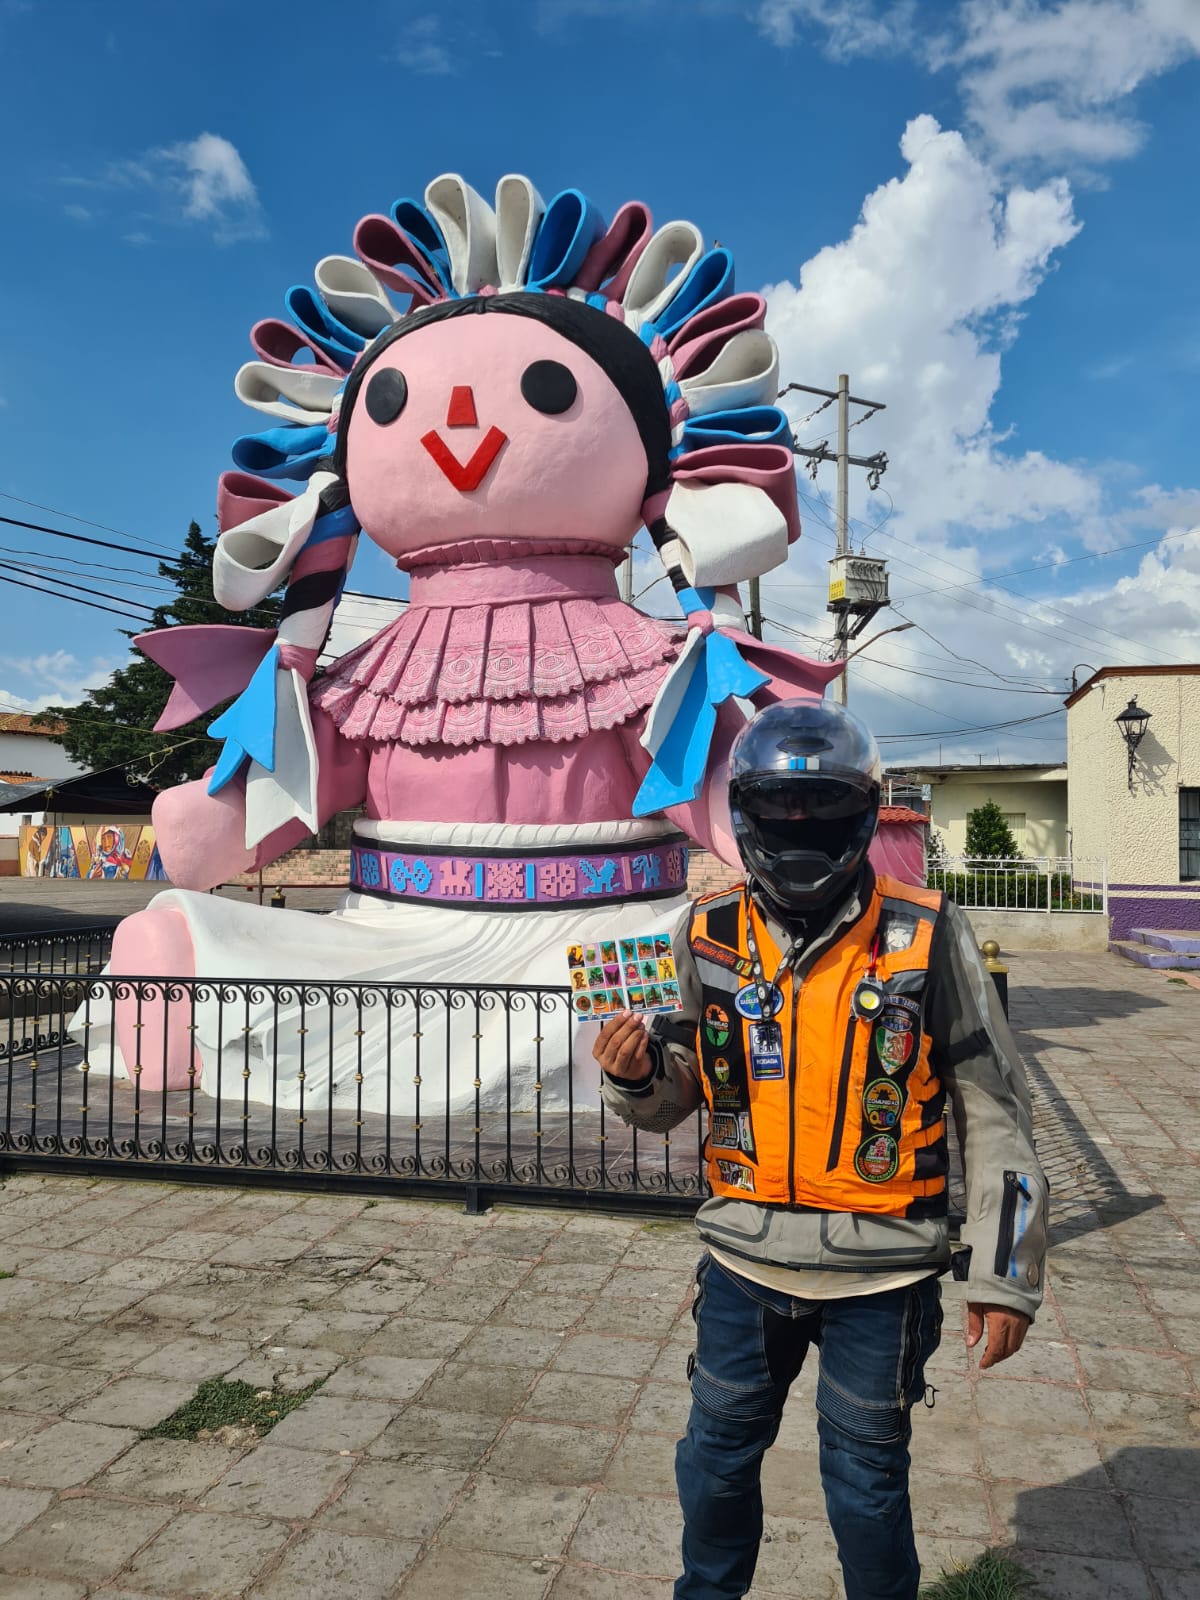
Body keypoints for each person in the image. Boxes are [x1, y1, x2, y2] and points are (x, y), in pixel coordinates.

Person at [593, 697, 1048, 1600]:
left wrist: (1006, 1275)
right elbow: (684, 1088)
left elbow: (994, 1110)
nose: (798, 827)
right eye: (777, 808)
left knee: (868, 1489)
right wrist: (637, 1075)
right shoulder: (706, 935)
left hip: (883, 1276)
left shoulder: (927, 933)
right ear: (746, 812)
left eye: (823, 806)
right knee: (714, 1465)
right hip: (742, 1264)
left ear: (864, 811)